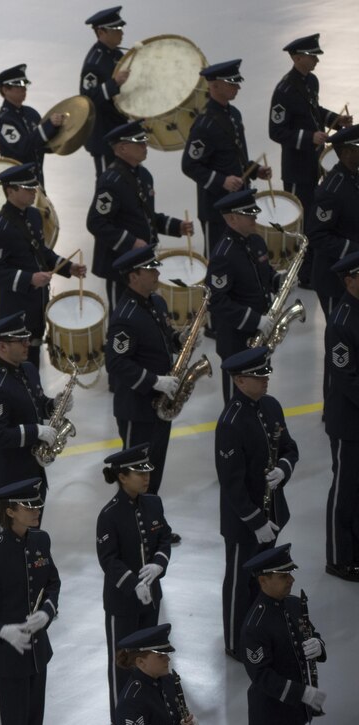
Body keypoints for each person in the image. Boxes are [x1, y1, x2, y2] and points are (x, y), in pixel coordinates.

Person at [215, 347, 299, 661]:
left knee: (267, 580)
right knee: (240, 584)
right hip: (244, 522)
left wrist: (284, 469)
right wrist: (256, 522)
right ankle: (236, 642)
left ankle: (261, 635)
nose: (265, 380)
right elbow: (232, 484)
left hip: (274, 512)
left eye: (265, 374)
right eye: (257, 376)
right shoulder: (230, 422)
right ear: (239, 381)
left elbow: (290, 448)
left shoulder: (271, 406)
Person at [0, 478, 60, 725]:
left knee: (34, 719)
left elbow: (52, 582)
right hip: (7, 659)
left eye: (37, 505)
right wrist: (1, 631)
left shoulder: (41, 540)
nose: (36, 510)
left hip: (38, 653)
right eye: (28, 507)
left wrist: (47, 611)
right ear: (10, 511)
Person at [104, 245, 192, 496]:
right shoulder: (125, 316)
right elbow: (116, 362)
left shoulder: (156, 302)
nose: (156, 274)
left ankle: (151, 522)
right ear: (133, 277)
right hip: (137, 408)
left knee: (153, 467)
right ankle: (132, 528)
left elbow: (162, 339)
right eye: (150, 270)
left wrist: (180, 339)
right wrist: (155, 381)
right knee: (134, 474)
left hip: (159, 404)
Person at [96, 444, 174, 722]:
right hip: (123, 604)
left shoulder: (153, 503)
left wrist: (159, 563)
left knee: (149, 663)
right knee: (124, 666)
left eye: (147, 471)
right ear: (122, 477)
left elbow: (164, 537)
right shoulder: (109, 515)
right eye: (138, 472)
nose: (146, 477)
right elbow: (109, 559)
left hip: (151, 599)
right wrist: (133, 584)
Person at [0, 163, 86, 368]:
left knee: (34, 352)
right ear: (10, 191)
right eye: (27, 189)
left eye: (34, 187)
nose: (33, 192)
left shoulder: (33, 215)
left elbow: (41, 252)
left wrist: (67, 267)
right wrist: (29, 278)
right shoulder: (0, 228)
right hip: (14, 305)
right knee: (16, 359)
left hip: (36, 301)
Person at [269, 34, 351, 289]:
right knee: (301, 220)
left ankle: (312, 267)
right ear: (297, 58)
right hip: (296, 167)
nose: (316, 60)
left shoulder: (310, 81)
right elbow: (276, 131)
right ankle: (303, 274)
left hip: (314, 162)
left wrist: (335, 120)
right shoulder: (284, 91)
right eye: (312, 56)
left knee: (314, 216)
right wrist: (309, 137)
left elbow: (313, 111)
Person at [87, 121, 192, 309]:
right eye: (139, 142)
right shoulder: (111, 181)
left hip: (141, 259)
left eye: (145, 141)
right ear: (122, 148)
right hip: (119, 264)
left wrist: (176, 226)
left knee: (142, 311)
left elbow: (145, 216)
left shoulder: (143, 175)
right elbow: (96, 222)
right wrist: (131, 242)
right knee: (121, 312)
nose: (145, 146)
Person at [182, 59, 272, 254]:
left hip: (239, 201)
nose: (238, 87)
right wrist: (222, 181)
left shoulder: (234, 115)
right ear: (214, 86)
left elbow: (234, 157)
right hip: (217, 210)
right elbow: (190, 165)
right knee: (220, 259)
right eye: (232, 83)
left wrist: (255, 171)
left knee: (242, 257)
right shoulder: (204, 125)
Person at [0, 313, 58, 532]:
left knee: (32, 537)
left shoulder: (28, 370)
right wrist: (36, 431)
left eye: (27, 338)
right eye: (20, 341)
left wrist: (54, 404)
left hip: (32, 472)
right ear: (2, 347)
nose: (27, 344)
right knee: (9, 543)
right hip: (7, 479)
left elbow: (36, 404)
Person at [240, 544, 328, 723]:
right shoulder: (255, 625)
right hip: (273, 713)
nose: (292, 580)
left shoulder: (295, 604)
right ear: (263, 580)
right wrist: (302, 693)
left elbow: (311, 633)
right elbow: (261, 675)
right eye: (283, 576)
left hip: (297, 709)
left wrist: (319, 645)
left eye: (290, 573)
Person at [206, 190, 280, 403]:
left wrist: (278, 280)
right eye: (249, 215)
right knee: (236, 400)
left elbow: (264, 275)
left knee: (258, 392)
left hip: (259, 333)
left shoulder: (256, 241)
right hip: (236, 340)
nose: (255, 218)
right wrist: (255, 320)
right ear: (232, 219)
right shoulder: (223, 254)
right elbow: (216, 300)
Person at [323, 251, 359, 581]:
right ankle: (338, 557)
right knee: (345, 490)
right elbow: (345, 377)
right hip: (349, 422)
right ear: (349, 280)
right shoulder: (341, 322)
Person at [309, 125, 359, 318]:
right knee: (340, 335)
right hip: (333, 281)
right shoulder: (331, 191)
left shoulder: (354, 177)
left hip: (352, 275)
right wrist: (355, 250)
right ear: (346, 152)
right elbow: (317, 236)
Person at [0, 64, 62, 187]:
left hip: (37, 180)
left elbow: (43, 145)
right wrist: (48, 126)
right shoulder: (3, 121)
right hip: (18, 185)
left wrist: (59, 132)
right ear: (5, 90)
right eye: (19, 85)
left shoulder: (31, 113)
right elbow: (22, 148)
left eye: (25, 84)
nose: (24, 89)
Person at [114, 623, 198, 725]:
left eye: (166, 654)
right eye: (160, 656)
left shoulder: (170, 680)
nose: (168, 659)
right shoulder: (132, 702)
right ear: (141, 662)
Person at [80, 6, 129, 176]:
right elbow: (86, 100)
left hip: (120, 129)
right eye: (116, 29)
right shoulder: (94, 63)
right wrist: (113, 84)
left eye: (121, 28)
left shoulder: (117, 55)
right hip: (103, 135)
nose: (121, 33)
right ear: (101, 32)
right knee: (107, 182)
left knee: (127, 180)